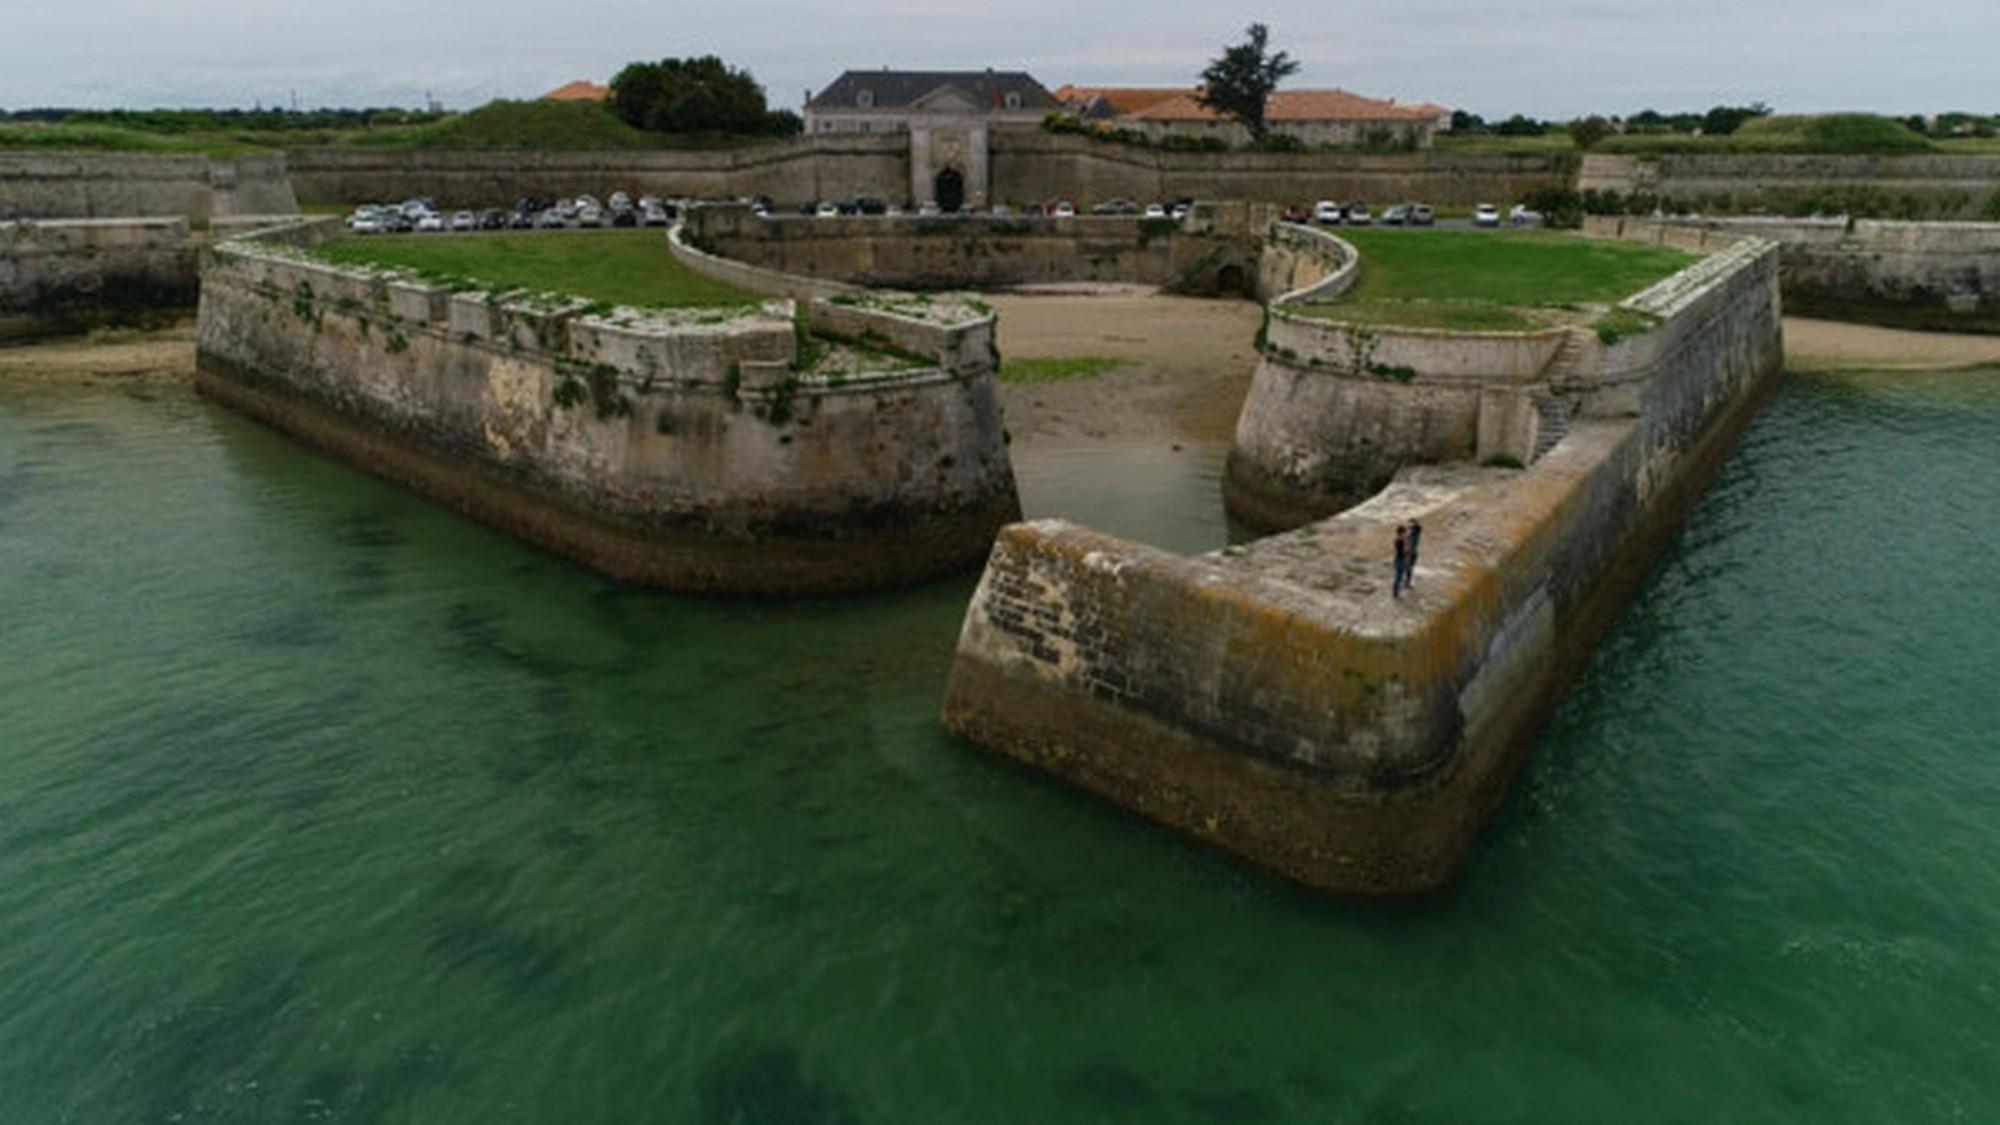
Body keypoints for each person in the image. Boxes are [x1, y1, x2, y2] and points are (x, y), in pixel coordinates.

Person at [1392, 523, 1409, 598]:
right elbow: (1403, 551)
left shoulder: (1397, 540)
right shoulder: (1400, 541)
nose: (1405, 534)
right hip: (1400, 560)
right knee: (1399, 577)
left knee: (1399, 577)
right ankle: (1396, 592)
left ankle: (1396, 591)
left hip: (1398, 559)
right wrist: (1407, 548)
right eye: (1404, 533)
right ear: (1401, 533)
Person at [1405, 518, 1423, 590]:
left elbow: (1418, 527)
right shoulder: (1413, 532)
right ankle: (1408, 582)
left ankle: (1408, 582)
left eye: (1410, 524)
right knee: (1409, 568)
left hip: (1412, 552)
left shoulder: (1415, 531)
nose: (1408, 526)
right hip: (1411, 552)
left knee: (1410, 567)